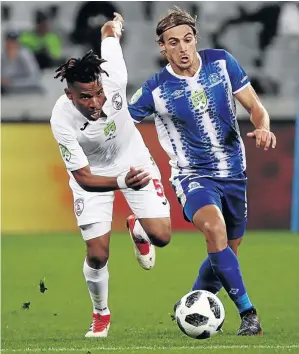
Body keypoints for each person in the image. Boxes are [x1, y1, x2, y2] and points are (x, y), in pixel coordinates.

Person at [128, 7, 276, 336]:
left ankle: (194, 304)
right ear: (162, 47)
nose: (182, 48)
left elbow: (255, 107)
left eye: (187, 39)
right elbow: (122, 125)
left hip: (235, 173)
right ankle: (248, 314)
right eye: (173, 42)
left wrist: (263, 127)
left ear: (196, 39)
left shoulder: (222, 62)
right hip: (192, 175)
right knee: (214, 228)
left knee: (225, 252)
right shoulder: (155, 88)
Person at [50, 13, 171, 338]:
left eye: (98, 93)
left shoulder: (113, 74)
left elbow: (109, 36)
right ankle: (101, 313)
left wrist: (111, 26)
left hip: (132, 158)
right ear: (70, 94)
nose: (95, 102)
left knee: (162, 236)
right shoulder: (61, 120)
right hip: (93, 176)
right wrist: (120, 184)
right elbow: (85, 178)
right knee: (98, 255)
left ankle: (139, 229)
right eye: (85, 97)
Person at [1, 30, 42, 95]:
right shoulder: (3, 55)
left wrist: (12, 82)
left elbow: (35, 78)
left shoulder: (25, 55)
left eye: (14, 41)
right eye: (9, 41)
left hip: (26, 89)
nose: (11, 44)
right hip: (7, 89)